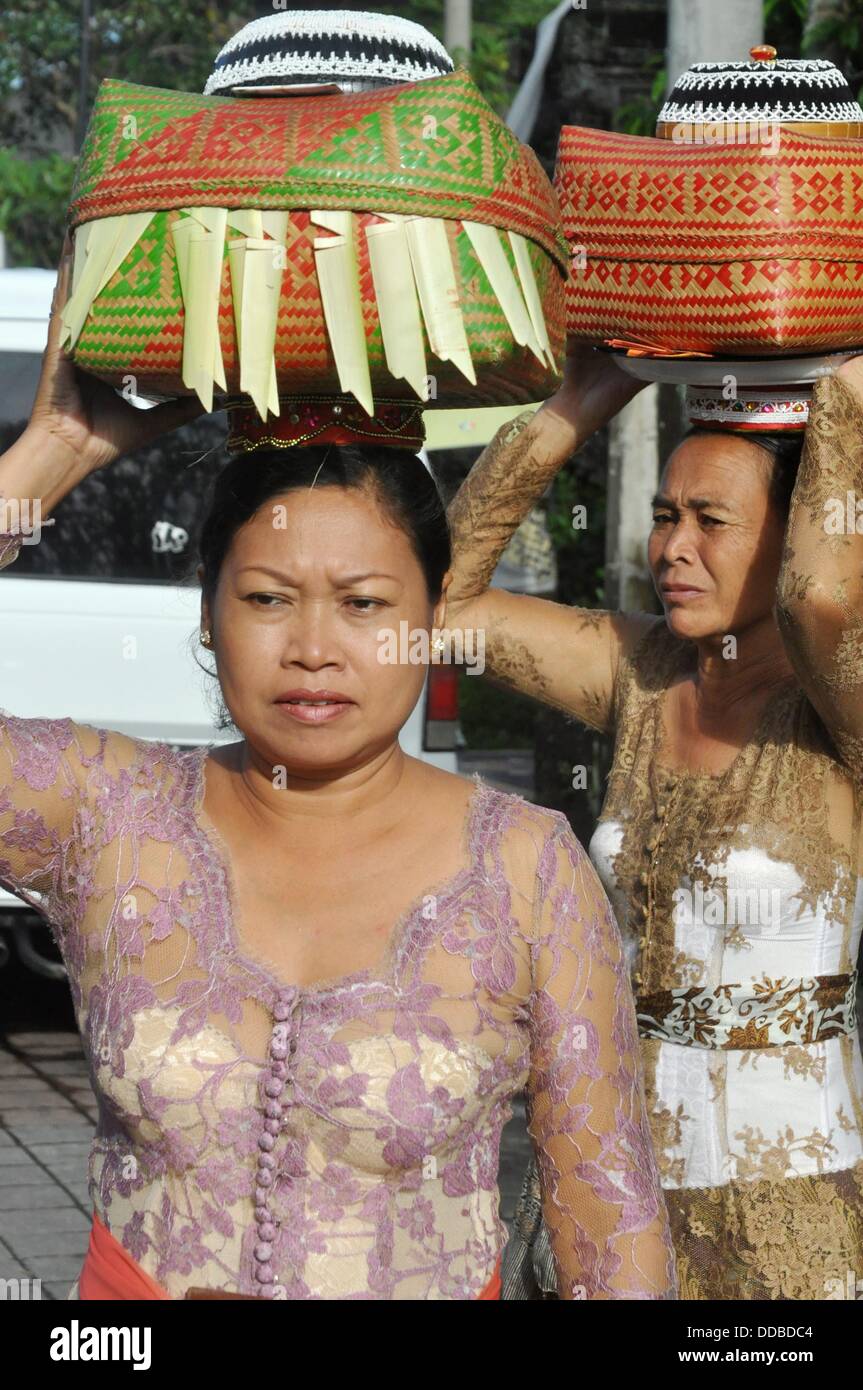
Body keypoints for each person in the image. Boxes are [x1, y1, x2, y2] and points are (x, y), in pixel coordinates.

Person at [0, 243, 676, 1301]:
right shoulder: (104, 809)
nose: (314, 647)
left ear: (427, 618)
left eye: (363, 603)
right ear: (208, 613)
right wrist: (50, 454)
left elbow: (608, 1227)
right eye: (267, 598)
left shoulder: (525, 868)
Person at [444, 342, 863, 1300]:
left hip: (790, 1218)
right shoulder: (641, 676)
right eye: (663, 516)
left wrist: (835, 385)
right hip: (610, 1189)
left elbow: (823, 599)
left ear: (798, 530)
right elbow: (439, 603)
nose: (671, 548)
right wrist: (580, 400)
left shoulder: (836, 702)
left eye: (711, 521)